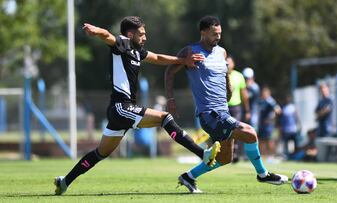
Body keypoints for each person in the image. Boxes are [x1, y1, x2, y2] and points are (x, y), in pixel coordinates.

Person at [53, 16, 221, 195]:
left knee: (100, 153)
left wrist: (182, 61)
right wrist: (96, 31)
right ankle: (202, 154)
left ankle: (64, 182)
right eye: (141, 34)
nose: (145, 38)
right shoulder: (122, 44)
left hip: (120, 111)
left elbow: (157, 57)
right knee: (165, 118)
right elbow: (107, 36)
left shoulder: (136, 51)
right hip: (121, 107)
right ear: (129, 34)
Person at [165, 15, 288, 193]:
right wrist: (170, 99)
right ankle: (263, 174)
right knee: (250, 133)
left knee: (225, 158)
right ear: (203, 32)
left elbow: (224, 74)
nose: (218, 37)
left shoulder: (222, 52)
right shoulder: (190, 51)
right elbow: (169, 72)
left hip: (224, 111)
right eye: (214, 33)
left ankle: (188, 177)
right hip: (209, 114)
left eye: (220, 33)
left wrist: (229, 87)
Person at [226, 55, 250, 163]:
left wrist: (247, 110)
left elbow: (244, 94)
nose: (227, 65)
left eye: (229, 63)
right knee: (224, 131)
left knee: (235, 129)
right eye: (226, 63)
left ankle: (234, 152)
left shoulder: (239, 76)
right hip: (223, 108)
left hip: (236, 107)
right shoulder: (219, 75)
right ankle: (226, 153)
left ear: (233, 64)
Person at [258, 86, 281, 160]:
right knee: (261, 140)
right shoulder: (262, 101)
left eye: (265, 93)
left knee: (269, 140)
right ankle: (262, 156)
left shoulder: (270, 101)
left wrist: (271, 118)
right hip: (262, 125)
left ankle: (272, 156)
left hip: (268, 125)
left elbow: (278, 110)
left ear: (268, 93)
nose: (263, 94)